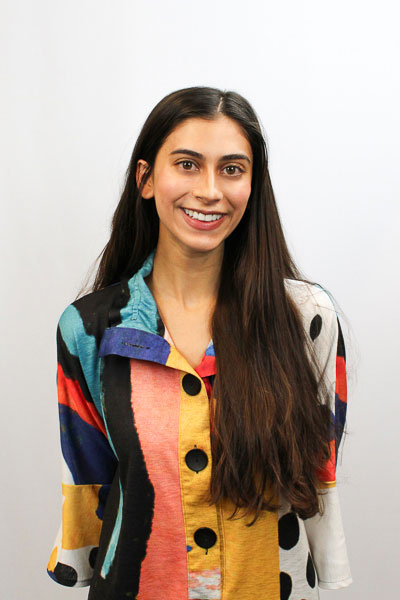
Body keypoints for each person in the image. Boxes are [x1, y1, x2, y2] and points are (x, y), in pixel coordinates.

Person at [46, 86, 353, 599]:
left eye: (232, 169)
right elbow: (89, 480)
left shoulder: (307, 318)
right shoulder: (89, 329)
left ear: (253, 184)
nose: (210, 190)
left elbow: (317, 472)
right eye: (187, 165)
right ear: (146, 179)